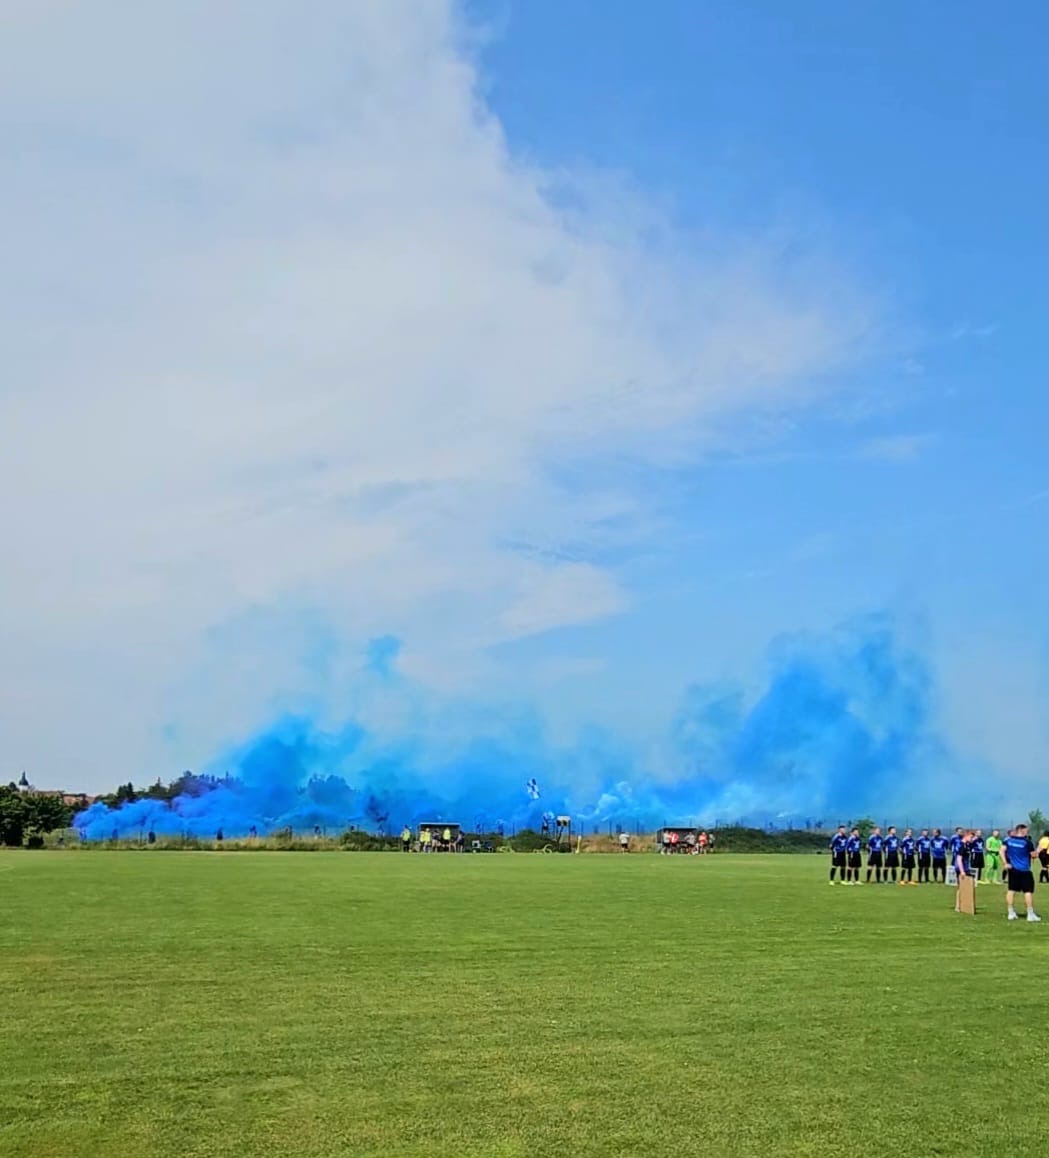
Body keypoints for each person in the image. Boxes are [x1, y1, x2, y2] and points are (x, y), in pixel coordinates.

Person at [1002, 823, 1041, 922]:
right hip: (1024, 870)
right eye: (1026, 830)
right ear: (1022, 830)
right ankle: (1030, 914)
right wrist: (1038, 851)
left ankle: (1011, 913)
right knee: (1028, 892)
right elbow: (1033, 856)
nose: (1027, 832)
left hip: (1013, 869)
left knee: (1011, 890)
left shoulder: (1008, 840)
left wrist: (1005, 863)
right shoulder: (1027, 842)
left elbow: (1001, 851)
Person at [954, 830, 975, 913]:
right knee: (960, 887)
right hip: (961, 868)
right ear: (966, 836)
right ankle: (957, 906)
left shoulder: (967, 845)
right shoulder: (962, 845)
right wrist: (962, 871)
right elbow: (959, 858)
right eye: (971, 837)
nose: (972, 839)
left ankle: (965, 905)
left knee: (966, 887)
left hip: (966, 867)